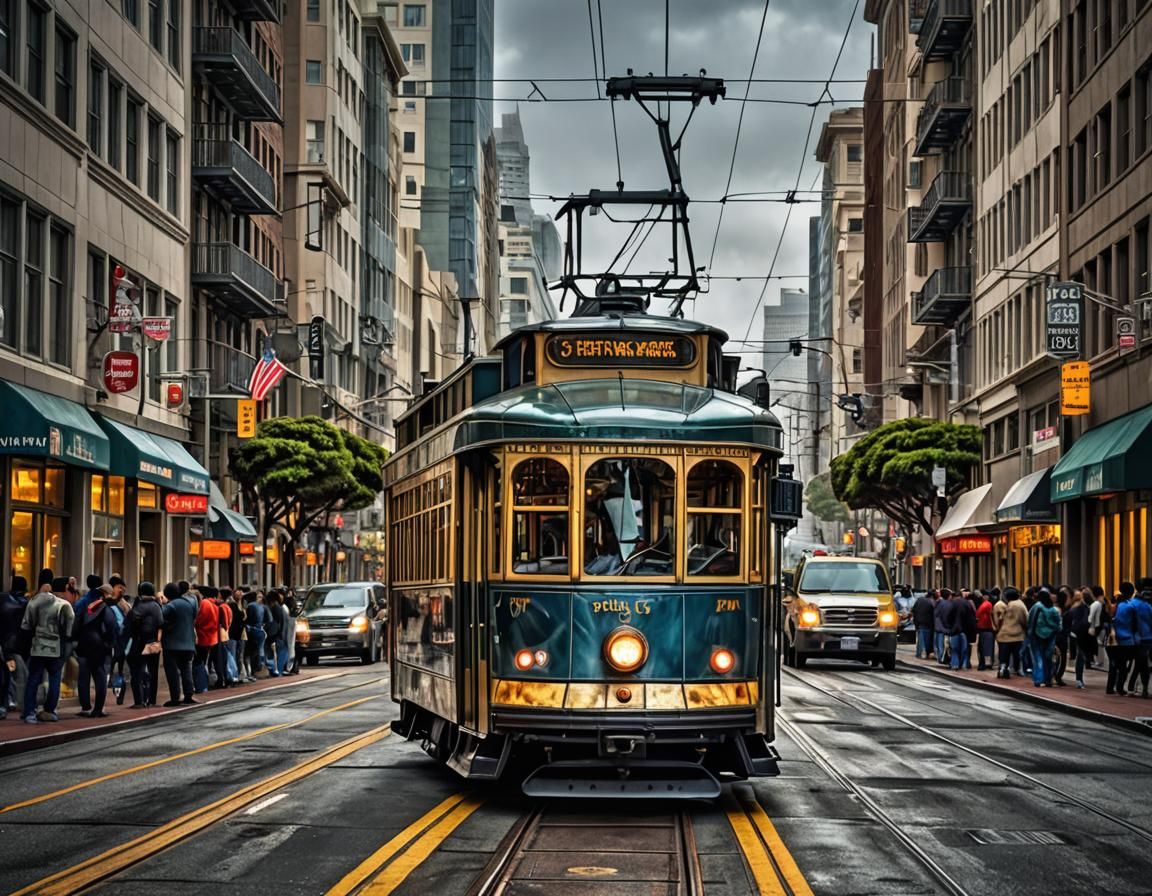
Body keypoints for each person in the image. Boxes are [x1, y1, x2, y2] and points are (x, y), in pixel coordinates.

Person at [20, 577, 75, 723]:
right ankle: (50, 710)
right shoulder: (65, 605)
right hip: (56, 647)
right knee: (54, 678)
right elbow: (69, 630)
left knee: (33, 678)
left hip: (38, 646)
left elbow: (26, 625)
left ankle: (29, 712)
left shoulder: (34, 601)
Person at [72, 586, 122, 717]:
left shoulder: (85, 609)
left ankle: (85, 707)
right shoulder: (106, 609)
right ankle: (98, 709)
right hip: (99, 647)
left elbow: (75, 628)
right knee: (100, 677)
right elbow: (112, 628)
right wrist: (109, 645)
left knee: (83, 677)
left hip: (83, 645)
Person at [126, 582, 163, 707]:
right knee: (153, 673)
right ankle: (152, 700)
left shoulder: (139, 606)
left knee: (137, 672)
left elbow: (132, 622)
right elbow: (161, 624)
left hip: (140, 642)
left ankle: (139, 701)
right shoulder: (157, 605)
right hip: (154, 643)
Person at [161, 582, 198, 706]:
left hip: (172, 644)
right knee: (186, 669)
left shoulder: (171, 605)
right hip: (188, 643)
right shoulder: (189, 604)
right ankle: (189, 695)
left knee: (172, 672)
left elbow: (160, 618)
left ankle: (175, 697)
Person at [0, 576, 30, 719]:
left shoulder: (3, 599)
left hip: (6, 645)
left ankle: (7, 701)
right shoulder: (26, 603)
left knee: (6, 674)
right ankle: (19, 703)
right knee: (21, 675)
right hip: (20, 645)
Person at [1027, 589, 1063, 687]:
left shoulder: (1037, 607)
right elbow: (1059, 625)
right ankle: (1048, 679)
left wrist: (1029, 633)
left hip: (1037, 636)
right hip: (1051, 636)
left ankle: (1039, 679)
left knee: (1038, 657)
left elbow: (1030, 619)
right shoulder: (1054, 610)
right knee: (1048, 657)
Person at [1112, 582, 1141, 696]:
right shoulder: (1131, 606)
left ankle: (1119, 686)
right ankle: (1127, 687)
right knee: (1134, 664)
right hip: (1129, 639)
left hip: (1118, 638)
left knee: (1122, 665)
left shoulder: (1118, 604)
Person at [993, 587, 1028, 677]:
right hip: (1017, 635)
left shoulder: (1007, 605)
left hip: (1004, 635)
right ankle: (1017, 669)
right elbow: (1025, 619)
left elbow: (1000, 619)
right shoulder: (1020, 605)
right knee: (1017, 654)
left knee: (1004, 655)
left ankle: (1003, 668)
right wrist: (1026, 628)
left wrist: (997, 629)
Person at [1126, 578, 1152, 698]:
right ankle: (1141, 688)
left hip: (1137, 639)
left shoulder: (1132, 603)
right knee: (1141, 664)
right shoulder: (1146, 605)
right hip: (1146, 638)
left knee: (1139, 664)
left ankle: (1133, 687)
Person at [1065, 587, 1093, 689]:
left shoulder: (1080, 607)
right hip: (1080, 634)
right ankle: (1079, 679)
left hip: (1079, 634)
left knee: (1080, 656)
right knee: (1081, 656)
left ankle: (1079, 679)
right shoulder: (1081, 608)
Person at [193, 586, 220, 692]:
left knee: (199, 663)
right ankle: (204, 684)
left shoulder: (204, 604)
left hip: (202, 637)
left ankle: (201, 685)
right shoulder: (213, 605)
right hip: (211, 638)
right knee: (204, 662)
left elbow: (199, 621)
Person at [244, 591, 268, 680]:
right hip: (260, 630)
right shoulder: (262, 607)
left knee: (252, 652)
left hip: (252, 631)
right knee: (259, 650)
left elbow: (248, 619)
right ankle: (259, 668)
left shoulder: (251, 606)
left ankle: (254, 670)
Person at [912, 590, 936, 659]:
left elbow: (914, 610)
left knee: (921, 639)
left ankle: (919, 653)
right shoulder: (932, 602)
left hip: (919, 623)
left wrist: (915, 620)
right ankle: (925, 653)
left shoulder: (919, 600)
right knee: (927, 640)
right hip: (928, 624)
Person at [975, 592, 996, 670]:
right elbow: (990, 616)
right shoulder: (988, 604)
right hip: (987, 629)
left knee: (982, 648)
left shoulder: (983, 605)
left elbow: (978, 616)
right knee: (988, 648)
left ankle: (983, 664)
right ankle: (988, 664)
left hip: (983, 629)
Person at [934, 589, 952, 666]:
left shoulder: (938, 603)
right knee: (943, 645)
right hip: (943, 628)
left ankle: (939, 657)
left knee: (938, 644)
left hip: (937, 627)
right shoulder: (947, 604)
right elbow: (946, 617)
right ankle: (942, 658)